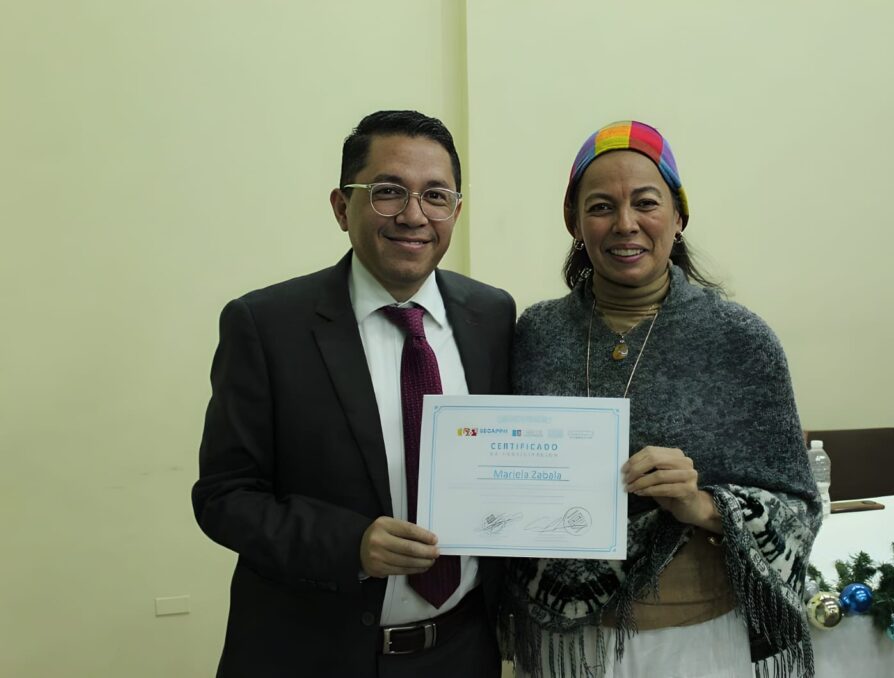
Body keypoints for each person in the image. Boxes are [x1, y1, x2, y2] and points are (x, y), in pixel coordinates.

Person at [193, 110, 515, 678]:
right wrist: (351, 545)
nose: (414, 215)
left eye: (436, 195)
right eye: (388, 191)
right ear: (343, 207)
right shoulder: (267, 325)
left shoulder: (492, 316)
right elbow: (224, 496)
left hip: (462, 651)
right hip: (310, 655)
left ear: (456, 211)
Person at [500, 121, 822, 678]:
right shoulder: (536, 333)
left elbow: (798, 511)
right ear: (573, 221)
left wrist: (702, 503)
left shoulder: (739, 339)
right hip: (564, 643)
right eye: (601, 206)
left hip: (698, 639)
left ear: (678, 216)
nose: (625, 224)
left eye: (645, 202)